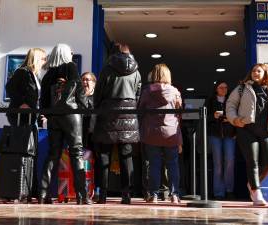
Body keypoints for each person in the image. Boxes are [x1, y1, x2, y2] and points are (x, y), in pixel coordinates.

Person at [39, 44, 91, 205]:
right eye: (71, 52)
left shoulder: (48, 74)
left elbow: (44, 101)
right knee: (76, 153)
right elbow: (80, 91)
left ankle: (43, 194)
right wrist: (82, 109)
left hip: (54, 117)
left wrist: (49, 114)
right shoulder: (71, 67)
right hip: (71, 115)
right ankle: (82, 195)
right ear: (66, 54)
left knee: (53, 154)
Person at [226, 63, 268, 206]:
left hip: (266, 130)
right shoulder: (242, 88)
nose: (255, 73)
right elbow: (230, 104)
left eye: (259, 71)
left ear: (265, 73)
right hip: (246, 129)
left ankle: (252, 183)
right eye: (253, 71)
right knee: (252, 162)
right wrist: (234, 119)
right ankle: (256, 191)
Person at [93, 43, 141, 204]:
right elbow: (138, 93)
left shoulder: (107, 69)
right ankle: (126, 194)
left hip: (108, 114)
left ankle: (103, 194)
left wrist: (99, 108)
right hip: (128, 115)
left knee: (104, 155)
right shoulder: (136, 71)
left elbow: (98, 93)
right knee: (126, 155)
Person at [5, 48, 46, 199]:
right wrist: (20, 103)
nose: (44, 62)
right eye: (43, 58)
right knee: (23, 151)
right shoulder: (22, 72)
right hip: (21, 118)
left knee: (32, 153)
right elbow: (9, 88)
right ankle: (19, 188)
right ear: (36, 58)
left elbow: (36, 99)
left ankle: (30, 188)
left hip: (32, 118)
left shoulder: (35, 75)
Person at [139, 64, 182, 204]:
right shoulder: (175, 91)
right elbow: (179, 112)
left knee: (154, 165)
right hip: (171, 133)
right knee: (173, 165)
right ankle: (174, 195)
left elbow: (140, 110)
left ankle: (154, 195)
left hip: (152, 133)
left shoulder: (147, 91)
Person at [205, 81, 236, 200]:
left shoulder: (232, 100)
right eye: (221, 87)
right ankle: (218, 192)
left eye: (226, 87)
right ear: (216, 89)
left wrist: (230, 119)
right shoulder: (210, 101)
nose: (224, 89)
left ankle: (229, 190)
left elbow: (238, 116)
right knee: (217, 163)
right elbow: (204, 117)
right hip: (215, 135)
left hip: (230, 134)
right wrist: (214, 116)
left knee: (230, 161)